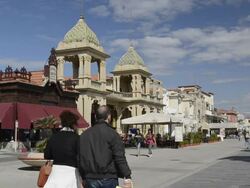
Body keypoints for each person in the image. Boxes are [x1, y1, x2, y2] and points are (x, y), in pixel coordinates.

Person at [79, 105, 132, 188]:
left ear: (96, 117)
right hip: (108, 178)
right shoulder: (113, 134)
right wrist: (127, 176)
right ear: (109, 116)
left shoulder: (84, 135)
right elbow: (119, 157)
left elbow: (80, 157)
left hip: (90, 178)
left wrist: (82, 176)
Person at [44, 111, 82, 188]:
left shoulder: (54, 137)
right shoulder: (77, 138)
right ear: (73, 124)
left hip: (56, 172)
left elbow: (47, 155)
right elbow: (81, 157)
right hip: (72, 173)